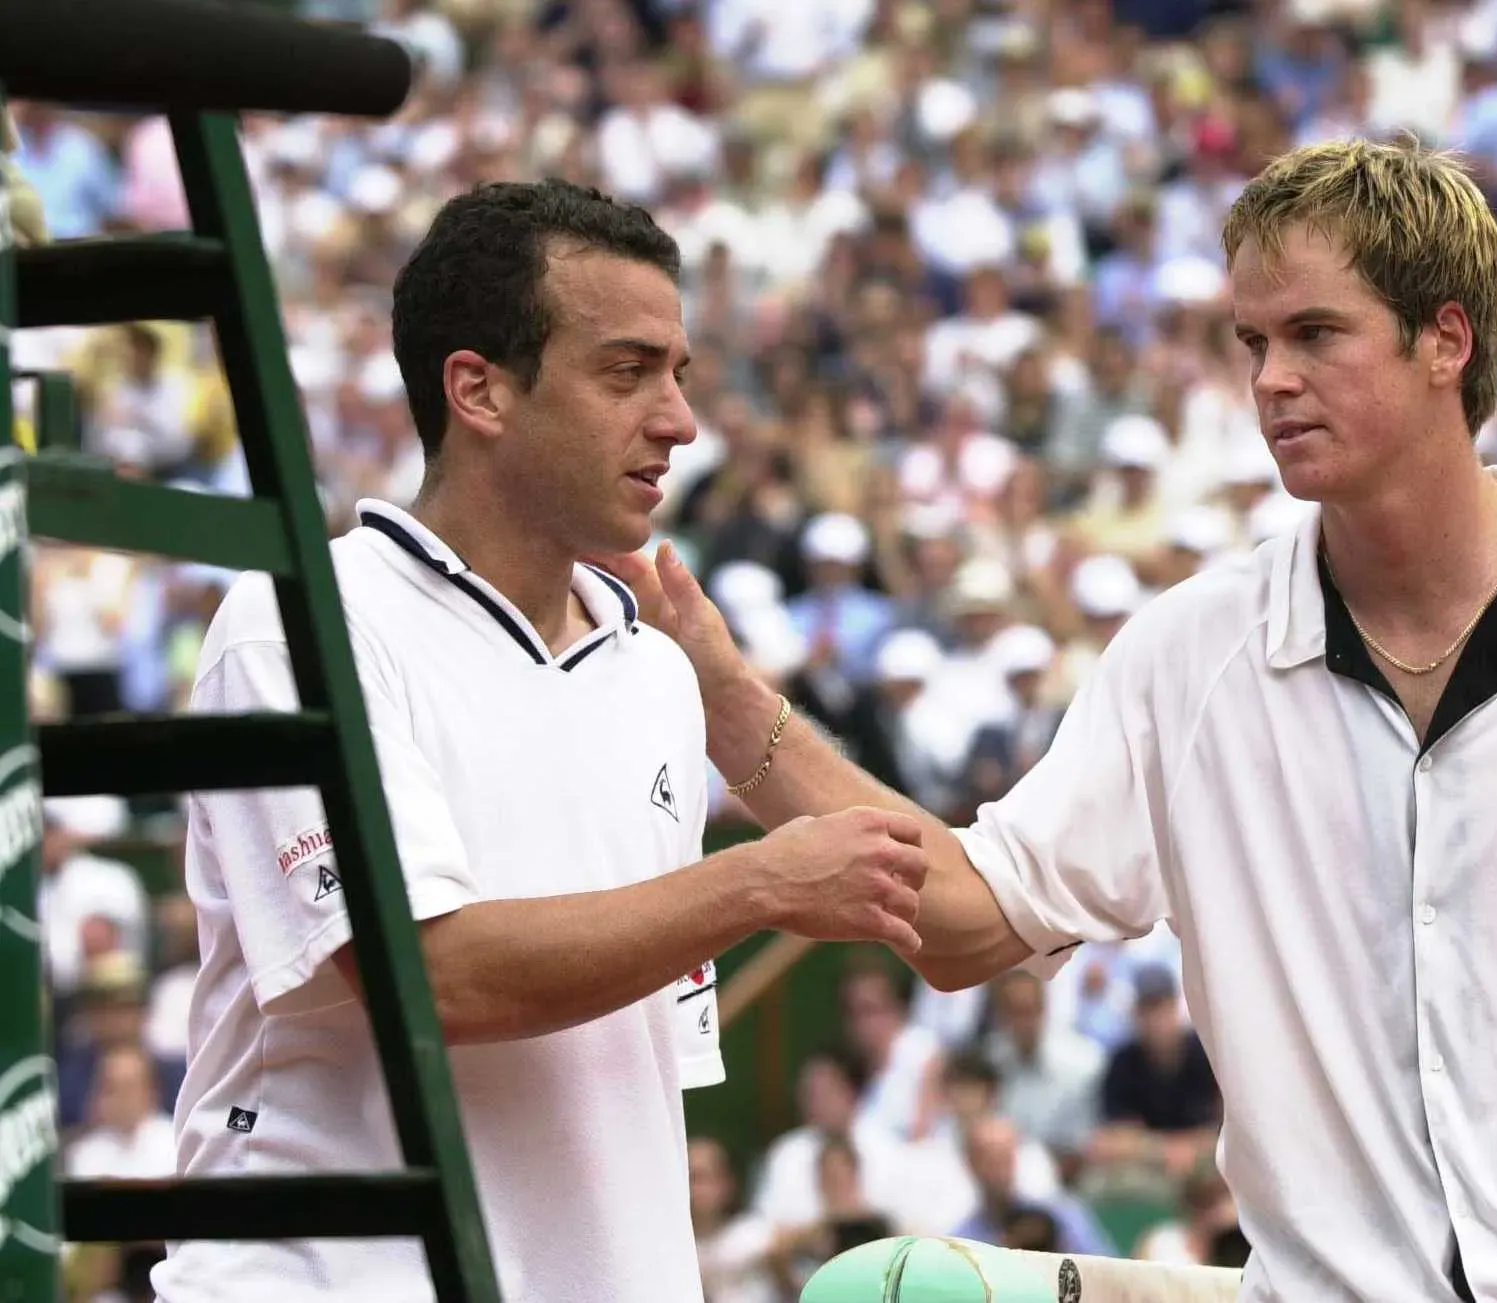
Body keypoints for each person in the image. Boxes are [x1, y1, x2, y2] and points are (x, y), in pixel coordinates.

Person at [622, 141, 1497, 1300]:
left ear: (1444, 340)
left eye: (1314, 334)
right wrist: (741, 718)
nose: (1271, 380)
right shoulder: (1187, 656)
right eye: (1251, 344)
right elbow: (963, 923)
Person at [156, 180, 928, 1303]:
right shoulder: (298, 623)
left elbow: (629, 1084)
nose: (678, 419)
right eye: (626, 372)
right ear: (478, 389)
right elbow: (427, 975)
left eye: (679, 374)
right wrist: (756, 882)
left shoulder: (660, 673)